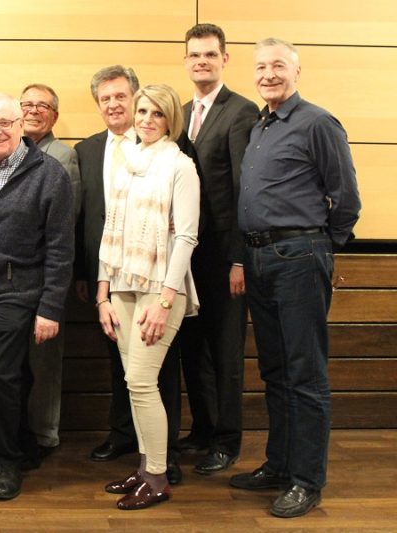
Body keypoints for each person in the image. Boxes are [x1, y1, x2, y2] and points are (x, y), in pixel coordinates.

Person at [232, 38, 361, 518]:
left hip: (299, 256)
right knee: (275, 370)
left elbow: (346, 198)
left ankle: (307, 480)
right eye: (261, 67)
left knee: (305, 372)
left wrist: (321, 246)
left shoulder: (318, 123)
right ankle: (280, 464)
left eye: (278, 66)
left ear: (297, 71)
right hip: (259, 258)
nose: (268, 74)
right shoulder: (260, 125)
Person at [0, 93, 74, 501]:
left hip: (18, 291)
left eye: (4, 123)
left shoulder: (50, 174)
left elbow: (60, 248)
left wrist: (50, 308)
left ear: (21, 124)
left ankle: (7, 459)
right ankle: (23, 445)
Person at [74, 66, 183, 484]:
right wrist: (91, 279)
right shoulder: (87, 150)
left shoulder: (164, 151)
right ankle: (125, 438)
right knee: (121, 365)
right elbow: (87, 217)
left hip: (156, 278)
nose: (114, 105)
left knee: (154, 370)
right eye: (105, 99)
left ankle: (164, 456)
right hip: (110, 274)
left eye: (121, 96)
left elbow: (187, 225)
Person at [97, 84, 200, 510]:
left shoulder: (180, 166)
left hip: (160, 286)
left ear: (170, 119)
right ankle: (144, 468)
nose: (146, 120)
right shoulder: (127, 162)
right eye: (142, 111)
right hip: (122, 283)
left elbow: (187, 237)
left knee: (141, 382)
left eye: (157, 113)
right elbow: (111, 228)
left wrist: (165, 300)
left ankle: (157, 477)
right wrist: (102, 293)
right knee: (133, 384)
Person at [176, 24, 260, 475]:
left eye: (210, 54)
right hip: (187, 256)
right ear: (186, 61)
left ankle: (227, 440)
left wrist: (239, 258)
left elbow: (245, 190)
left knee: (226, 354)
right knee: (193, 348)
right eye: (195, 55)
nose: (202, 61)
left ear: (224, 59)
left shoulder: (240, 111)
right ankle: (204, 428)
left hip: (225, 256)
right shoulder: (182, 112)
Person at [19, 83, 80, 456]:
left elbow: (67, 222)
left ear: (54, 115)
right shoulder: (8, 152)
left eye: (42, 106)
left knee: (44, 362)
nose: (33, 110)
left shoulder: (63, 156)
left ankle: (44, 434)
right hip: (11, 280)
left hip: (45, 276)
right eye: (26, 104)